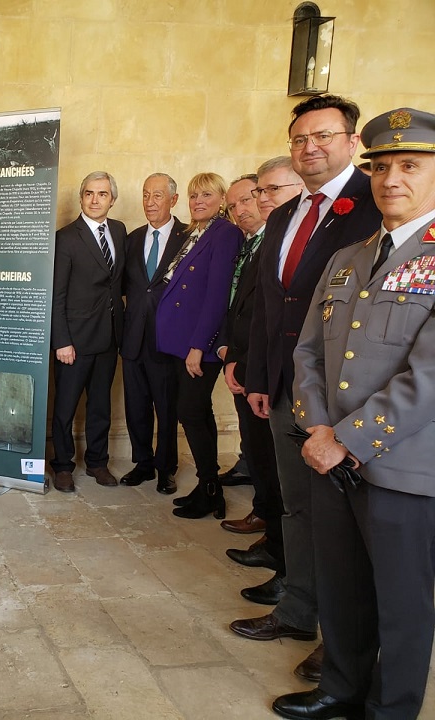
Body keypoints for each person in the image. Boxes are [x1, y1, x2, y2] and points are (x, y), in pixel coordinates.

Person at [275, 107, 435, 720]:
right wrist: (318, 428)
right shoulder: (348, 257)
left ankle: (390, 708)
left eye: (410, 166)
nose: (392, 179)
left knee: (401, 602)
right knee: (342, 588)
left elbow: (428, 378)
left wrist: (347, 438)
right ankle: (340, 689)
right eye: (382, 166)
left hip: (402, 464)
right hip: (330, 456)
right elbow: (308, 351)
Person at [232, 95, 381, 685]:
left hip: (347, 397)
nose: (309, 147)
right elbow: (274, 305)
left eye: (323, 136)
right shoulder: (284, 215)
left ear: (352, 142)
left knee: (348, 524)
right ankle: (298, 610)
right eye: (299, 139)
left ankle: (346, 642)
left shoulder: (376, 203)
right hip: (286, 387)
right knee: (297, 506)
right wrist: (262, 378)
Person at [222, 159, 303, 610]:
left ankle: (290, 570)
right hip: (255, 369)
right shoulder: (264, 242)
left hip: (286, 377)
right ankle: (275, 544)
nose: (258, 202)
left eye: (271, 191)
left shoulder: (295, 237)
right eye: (259, 193)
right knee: (263, 462)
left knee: (282, 474)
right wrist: (235, 356)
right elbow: (244, 310)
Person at [157, 172, 241, 519]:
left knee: (190, 412)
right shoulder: (195, 233)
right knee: (197, 411)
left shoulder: (225, 233)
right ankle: (208, 487)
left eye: (206, 195)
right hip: (181, 340)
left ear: (222, 200)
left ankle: (209, 489)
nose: (198, 201)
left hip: (199, 343)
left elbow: (217, 295)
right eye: (193, 195)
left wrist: (198, 345)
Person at [50, 172, 126, 493]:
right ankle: (63, 466)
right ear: (81, 198)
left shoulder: (119, 231)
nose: (95, 200)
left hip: (109, 336)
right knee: (65, 408)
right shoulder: (66, 238)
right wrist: (62, 341)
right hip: (74, 341)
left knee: (100, 405)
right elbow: (57, 295)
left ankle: (97, 462)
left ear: (112, 199)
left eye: (102, 194)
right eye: (89, 194)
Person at [120, 173, 187, 495]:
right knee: (136, 407)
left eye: (157, 195)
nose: (149, 202)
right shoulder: (132, 239)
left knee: (167, 407)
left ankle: (166, 468)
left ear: (173, 200)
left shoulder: (189, 238)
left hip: (168, 340)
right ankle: (143, 463)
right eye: (146, 195)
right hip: (133, 338)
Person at [218, 173, 268, 534]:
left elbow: (267, 314)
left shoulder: (273, 245)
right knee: (253, 439)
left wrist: (244, 360)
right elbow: (233, 305)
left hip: (259, 361)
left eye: (246, 200)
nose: (240, 210)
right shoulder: (246, 245)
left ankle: (266, 513)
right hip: (239, 357)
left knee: (263, 444)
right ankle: (264, 507)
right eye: (233, 206)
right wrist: (226, 349)